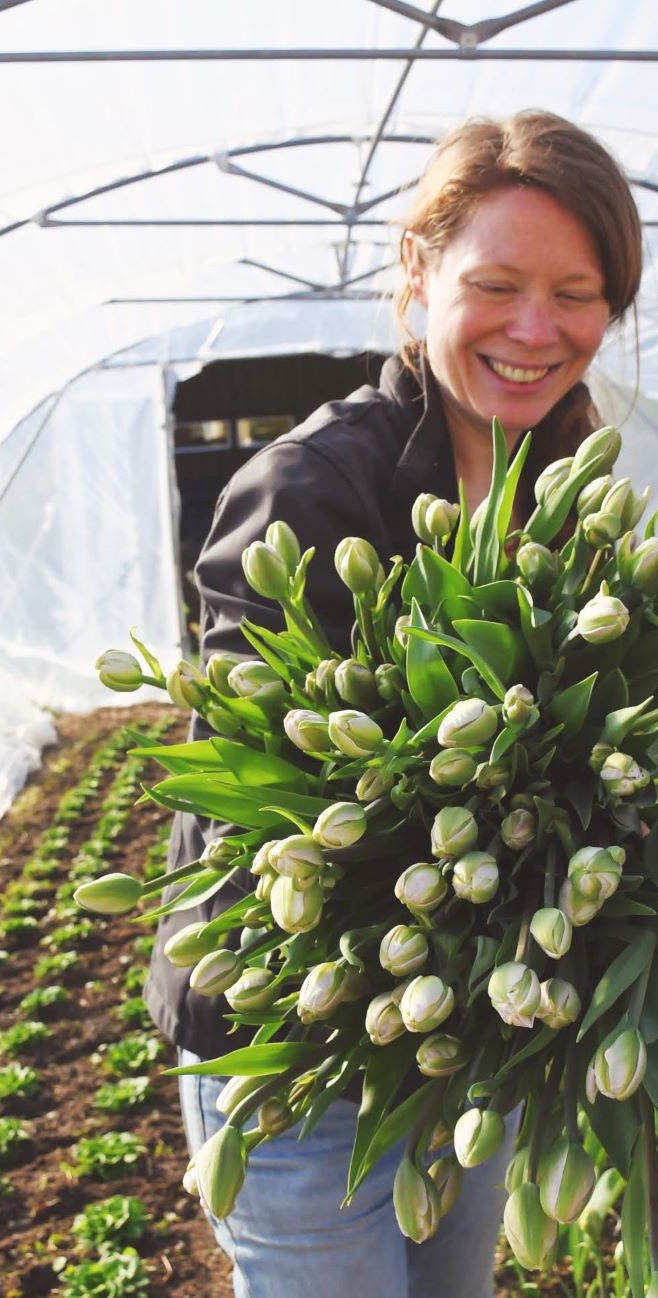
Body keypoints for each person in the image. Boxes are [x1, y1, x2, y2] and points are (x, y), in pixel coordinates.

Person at [144, 110, 643, 1298]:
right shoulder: (311, 490)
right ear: (417, 273)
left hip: (471, 1035)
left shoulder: (568, 487)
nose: (537, 330)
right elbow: (272, 823)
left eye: (577, 293)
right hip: (295, 1050)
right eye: (499, 284)